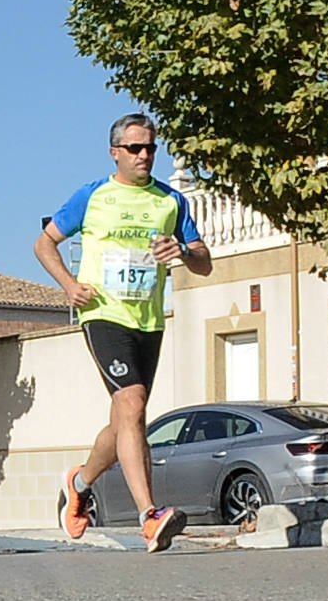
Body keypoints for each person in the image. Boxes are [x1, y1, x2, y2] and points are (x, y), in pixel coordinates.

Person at [34, 112, 213, 553]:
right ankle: (150, 516)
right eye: (135, 148)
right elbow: (44, 243)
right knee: (131, 403)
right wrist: (70, 286)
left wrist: (184, 251)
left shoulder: (170, 201)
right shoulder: (93, 196)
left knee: (126, 418)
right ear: (115, 152)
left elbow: (204, 261)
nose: (145, 155)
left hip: (147, 319)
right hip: (103, 314)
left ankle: (79, 481)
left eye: (151, 147)